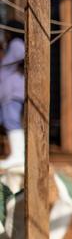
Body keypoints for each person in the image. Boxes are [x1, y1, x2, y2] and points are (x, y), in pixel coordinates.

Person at [0, 22, 24, 170]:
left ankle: (18, 155)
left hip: (13, 92)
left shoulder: (16, 43)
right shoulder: (10, 47)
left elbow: (23, 54)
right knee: (6, 121)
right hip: (7, 94)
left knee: (11, 121)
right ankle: (17, 155)